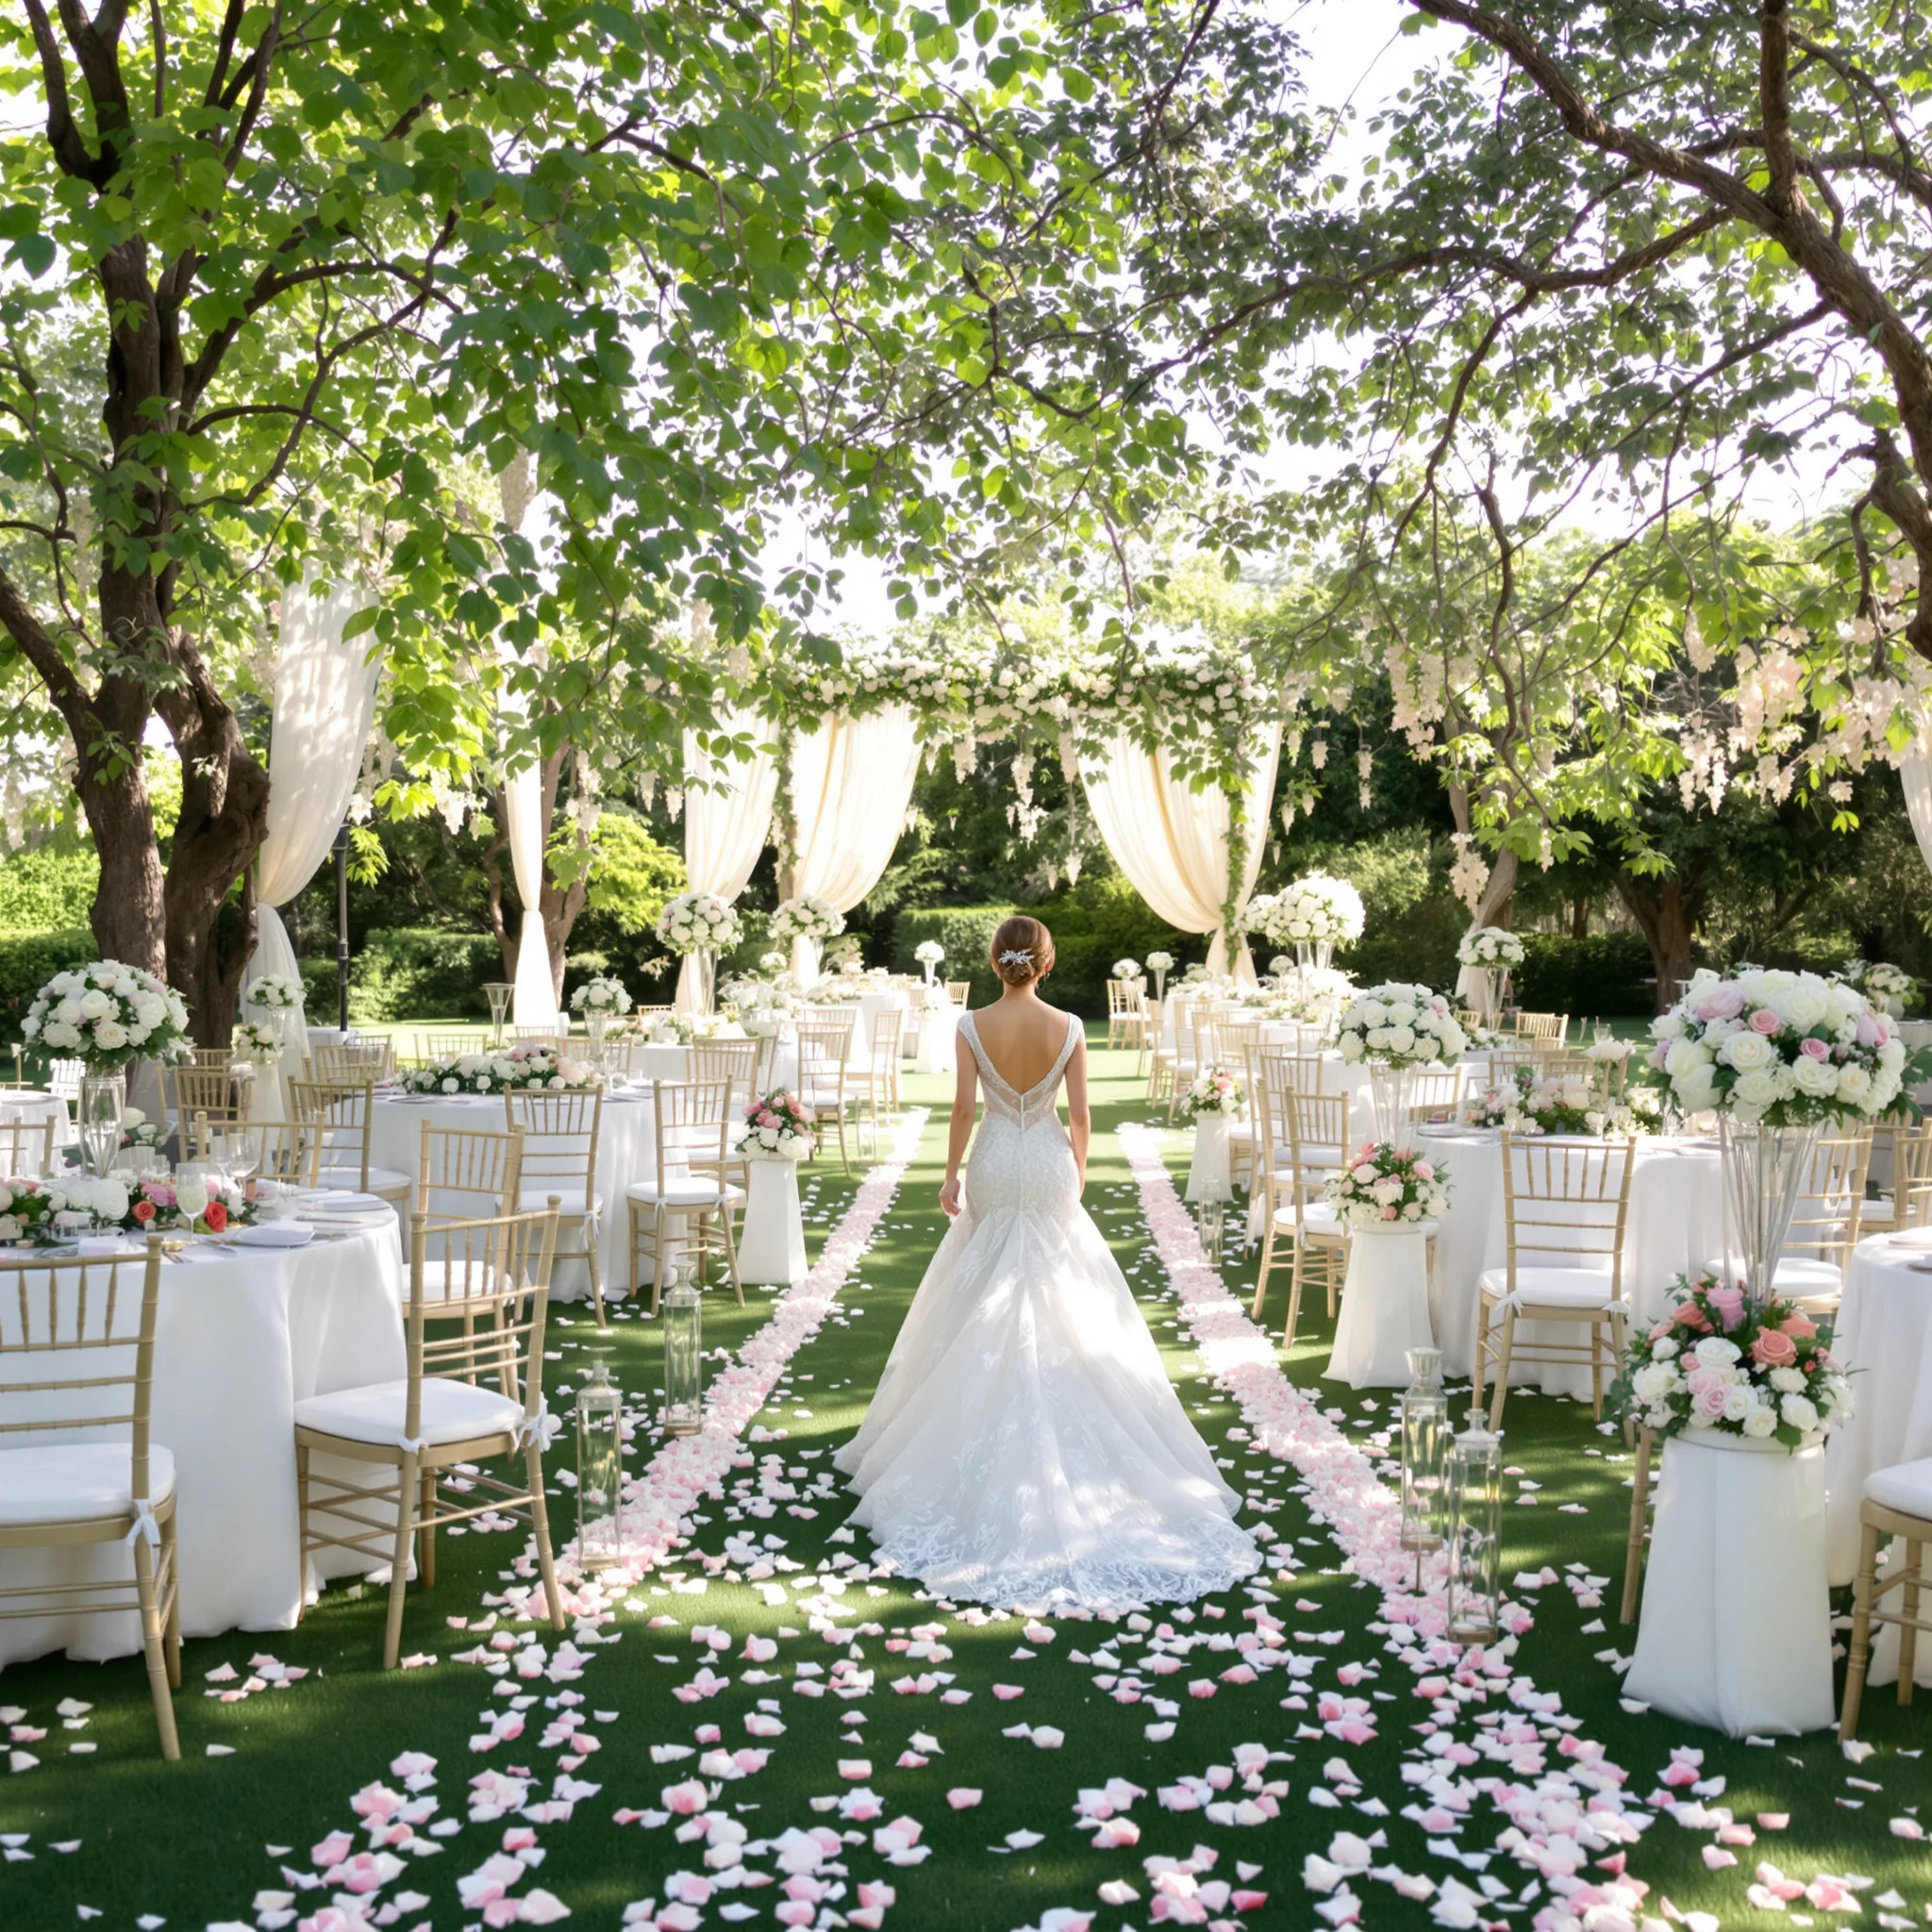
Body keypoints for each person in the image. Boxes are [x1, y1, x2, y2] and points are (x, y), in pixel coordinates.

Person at [834, 915, 1258, 1611]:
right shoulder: (1070, 1025)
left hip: (999, 1163)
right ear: (1046, 963)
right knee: (1066, 1293)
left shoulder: (971, 1026)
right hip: (1051, 1162)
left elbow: (966, 1110)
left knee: (982, 1291)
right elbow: (1081, 1116)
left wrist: (950, 1175)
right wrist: (1078, 1169)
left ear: (998, 963)